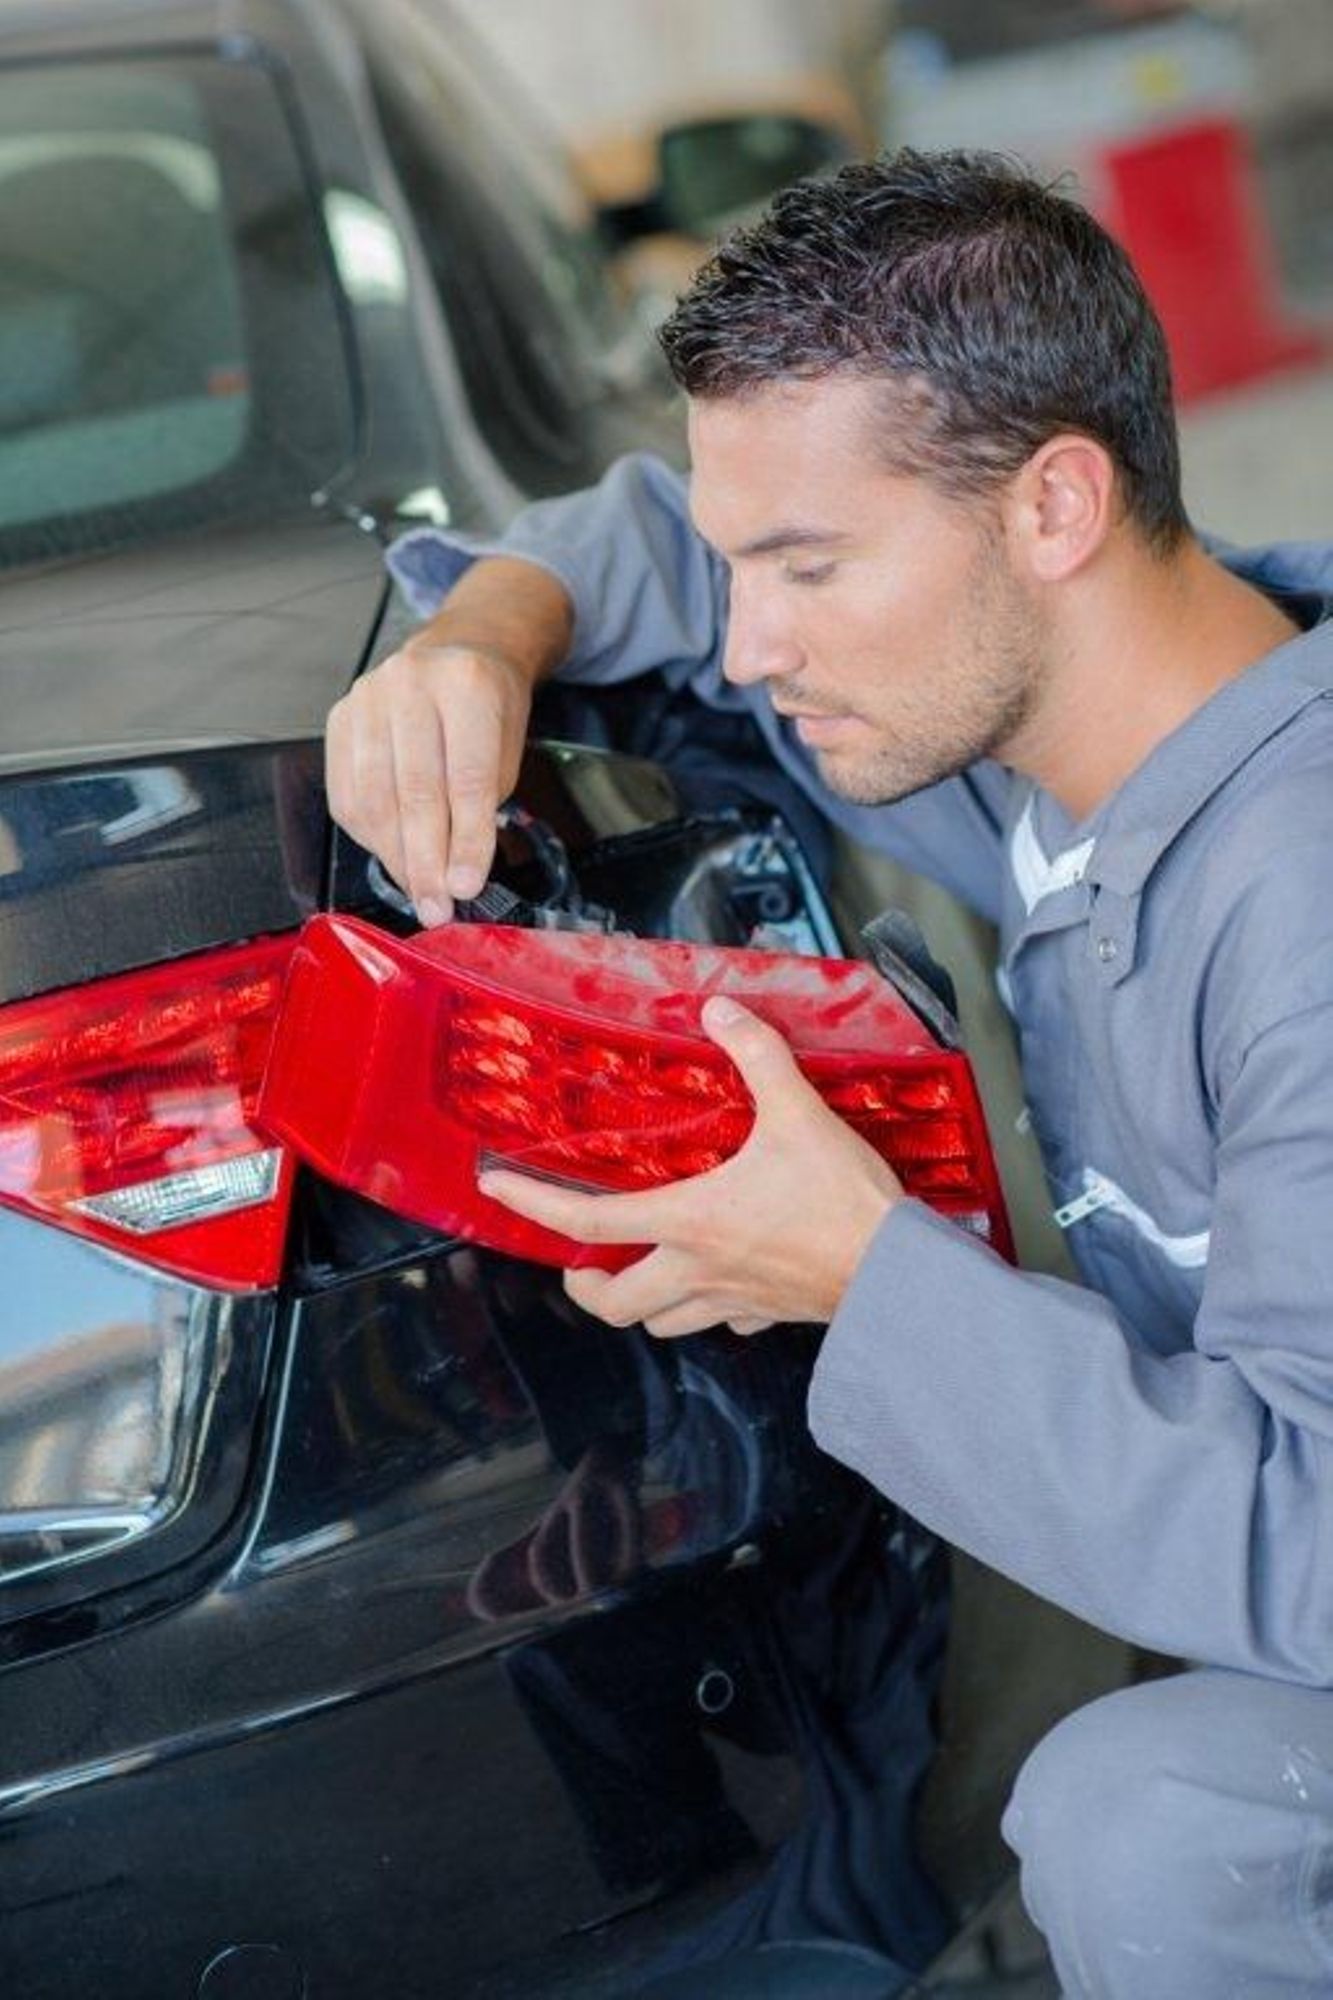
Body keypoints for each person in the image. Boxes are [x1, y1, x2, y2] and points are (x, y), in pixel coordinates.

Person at [326, 150, 1333, 1995]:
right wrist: (481, 634)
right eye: (741, 561)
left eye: (805, 570)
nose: (743, 643)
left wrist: (863, 1277)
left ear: (1052, 506)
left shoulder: (1306, 908)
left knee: (1151, 1820)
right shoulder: (1058, 732)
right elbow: (633, 535)